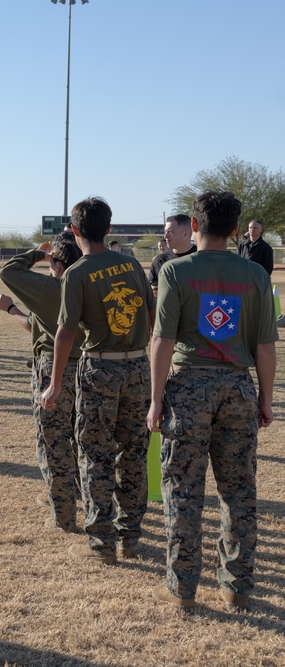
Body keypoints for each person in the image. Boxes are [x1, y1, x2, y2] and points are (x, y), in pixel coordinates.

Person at [148, 190, 277, 612]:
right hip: (238, 387)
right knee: (239, 490)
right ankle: (236, 587)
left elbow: (162, 340)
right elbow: (265, 346)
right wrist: (265, 399)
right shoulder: (257, 275)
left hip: (188, 388)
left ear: (196, 226)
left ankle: (182, 587)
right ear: (237, 229)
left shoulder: (174, 271)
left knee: (183, 490)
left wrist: (154, 401)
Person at [40, 196, 155, 565]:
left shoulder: (76, 273)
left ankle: (102, 544)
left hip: (99, 369)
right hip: (137, 368)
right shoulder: (131, 263)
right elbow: (152, 314)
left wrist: (55, 384)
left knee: (95, 456)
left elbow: (65, 333)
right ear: (109, 229)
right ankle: (131, 538)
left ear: (75, 231)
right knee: (134, 454)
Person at [0, 232, 85, 533]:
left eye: (52, 263)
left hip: (54, 370)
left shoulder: (52, 288)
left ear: (58, 265)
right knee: (81, 439)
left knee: (53, 442)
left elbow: (9, 271)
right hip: (89, 367)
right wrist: (12, 311)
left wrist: (38, 252)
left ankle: (62, 511)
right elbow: (36, 325)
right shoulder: (90, 285)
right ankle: (78, 496)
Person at [147, 215, 195, 298]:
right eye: (165, 232)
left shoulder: (203, 257)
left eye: (170, 232)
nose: (166, 236)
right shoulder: (159, 260)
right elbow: (151, 290)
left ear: (185, 233)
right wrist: (153, 292)